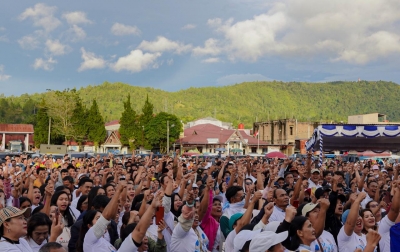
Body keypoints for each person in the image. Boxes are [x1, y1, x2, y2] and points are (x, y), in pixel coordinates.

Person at [76, 181, 126, 252]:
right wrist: (117, 191)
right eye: (98, 218)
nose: (102, 220)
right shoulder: (90, 238)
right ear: (90, 226)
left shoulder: (104, 241)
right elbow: (106, 217)